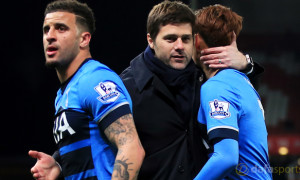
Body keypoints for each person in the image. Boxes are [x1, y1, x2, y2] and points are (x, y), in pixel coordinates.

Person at [120, 1, 262, 179]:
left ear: (195, 40)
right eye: (170, 39)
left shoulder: (206, 75)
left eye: (186, 39)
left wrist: (245, 64)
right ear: (151, 40)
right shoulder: (126, 88)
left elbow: (246, 102)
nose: (179, 46)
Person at [28, 0, 145, 179]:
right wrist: (59, 164)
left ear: (84, 39)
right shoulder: (63, 94)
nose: (50, 36)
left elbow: (131, 148)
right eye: (46, 29)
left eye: (61, 28)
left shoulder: (95, 79)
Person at [193, 4, 272, 179]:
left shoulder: (217, 86)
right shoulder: (242, 80)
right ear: (233, 39)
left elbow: (226, 158)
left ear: (196, 41)